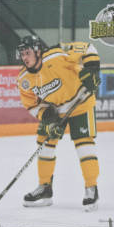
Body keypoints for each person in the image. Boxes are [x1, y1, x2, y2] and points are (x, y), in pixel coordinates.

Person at [14, 35, 101, 210]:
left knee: (84, 145)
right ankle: (45, 188)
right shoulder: (24, 79)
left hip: (81, 101)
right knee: (44, 145)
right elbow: (30, 104)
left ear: (38, 51)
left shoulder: (57, 55)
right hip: (56, 110)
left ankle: (91, 188)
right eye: (22, 54)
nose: (25, 57)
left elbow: (88, 47)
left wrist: (92, 69)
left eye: (28, 52)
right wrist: (46, 114)